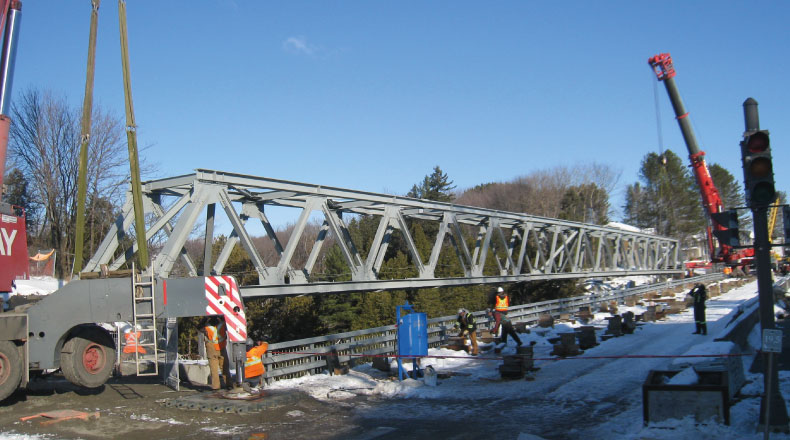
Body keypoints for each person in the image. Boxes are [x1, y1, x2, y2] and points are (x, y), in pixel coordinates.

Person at [202, 316, 232, 390]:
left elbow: (199, 327)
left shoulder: (206, 326)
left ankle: (216, 387)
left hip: (211, 349)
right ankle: (229, 385)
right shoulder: (223, 324)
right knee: (225, 368)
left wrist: (205, 318)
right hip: (221, 348)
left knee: (214, 370)